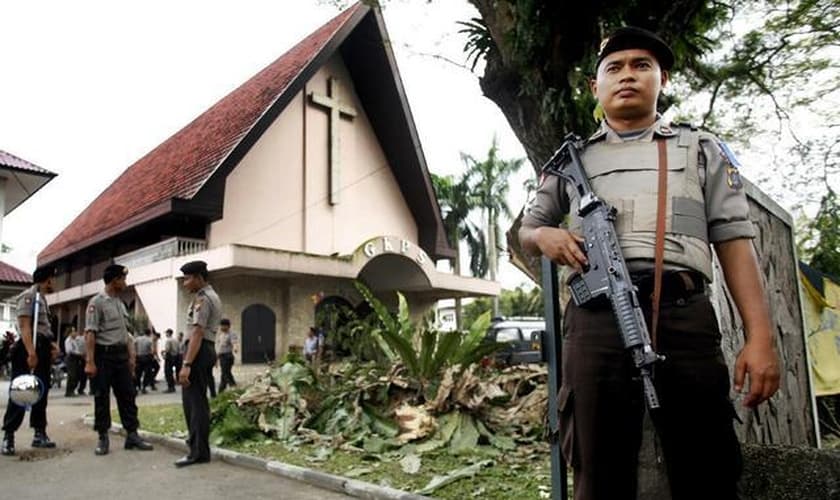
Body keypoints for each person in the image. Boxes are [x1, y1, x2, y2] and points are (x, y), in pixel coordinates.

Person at [518, 26, 781, 500]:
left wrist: (760, 337)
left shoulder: (701, 149)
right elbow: (524, 230)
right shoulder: (570, 160)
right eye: (614, 67)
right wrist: (545, 235)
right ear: (594, 87)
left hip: (684, 314)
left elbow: (735, 241)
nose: (628, 76)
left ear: (662, 79)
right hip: (597, 320)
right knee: (597, 470)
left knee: (709, 467)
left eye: (642, 66)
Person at [84, 264, 153, 455]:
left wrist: (131, 358)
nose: (125, 282)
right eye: (123, 279)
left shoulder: (120, 303)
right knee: (102, 397)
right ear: (114, 280)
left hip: (121, 356)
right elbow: (90, 333)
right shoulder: (96, 303)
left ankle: (132, 435)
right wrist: (90, 361)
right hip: (103, 356)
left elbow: (126, 334)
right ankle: (103, 437)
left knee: (128, 395)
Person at [2, 265, 60, 455]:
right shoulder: (29, 296)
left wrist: (51, 346)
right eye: (53, 279)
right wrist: (31, 353)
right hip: (28, 350)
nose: (55, 283)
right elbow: (25, 326)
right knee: (23, 391)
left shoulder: (42, 300)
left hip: (41, 348)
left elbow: (43, 329)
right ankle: (8, 436)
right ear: (48, 279)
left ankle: (39, 433)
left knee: (40, 392)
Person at [176, 260, 222, 467]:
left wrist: (187, 364)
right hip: (203, 349)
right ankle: (197, 446)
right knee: (196, 402)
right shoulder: (209, 296)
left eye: (187, 279)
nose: (185, 283)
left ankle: (198, 452)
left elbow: (197, 331)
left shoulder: (203, 299)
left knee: (195, 404)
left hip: (198, 350)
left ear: (199, 277)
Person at [216, 318, 237, 393]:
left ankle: (233, 386)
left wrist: (235, 348)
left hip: (228, 356)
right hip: (222, 356)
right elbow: (220, 347)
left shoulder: (231, 334)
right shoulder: (221, 335)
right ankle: (221, 391)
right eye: (220, 326)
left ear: (227, 326)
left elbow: (234, 342)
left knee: (226, 373)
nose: (221, 328)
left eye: (222, 326)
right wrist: (217, 359)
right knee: (224, 374)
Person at [64, 327, 83, 397]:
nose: (75, 333)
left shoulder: (74, 340)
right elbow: (69, 350)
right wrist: (78, 353)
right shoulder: (68, 340)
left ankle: (73, 390)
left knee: (77, 374)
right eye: (73, 331)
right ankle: (69, 391)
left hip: (76, 358)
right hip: (71, 358)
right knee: (72, 375)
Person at [133, 329, 154, 394]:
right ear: (149, 333)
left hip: (138, 357)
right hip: (147, 357)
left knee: (138, 373)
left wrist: (136, 352)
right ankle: (144, 387)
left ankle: (137, 386)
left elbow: (134, 345)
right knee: (147, 373)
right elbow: (152, 350)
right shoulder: (149, 340)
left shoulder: (137, 339)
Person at [163, 329, 179, 393]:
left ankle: (170, 387)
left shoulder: (168, 340)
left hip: (169, 357)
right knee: (171, 372)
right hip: (175, 357)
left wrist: (163, 353)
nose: (166, 334)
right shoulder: (176, 340)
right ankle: (172, 387)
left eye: (166, 333)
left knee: (168, 372)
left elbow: (167, 349)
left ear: (168, 333)